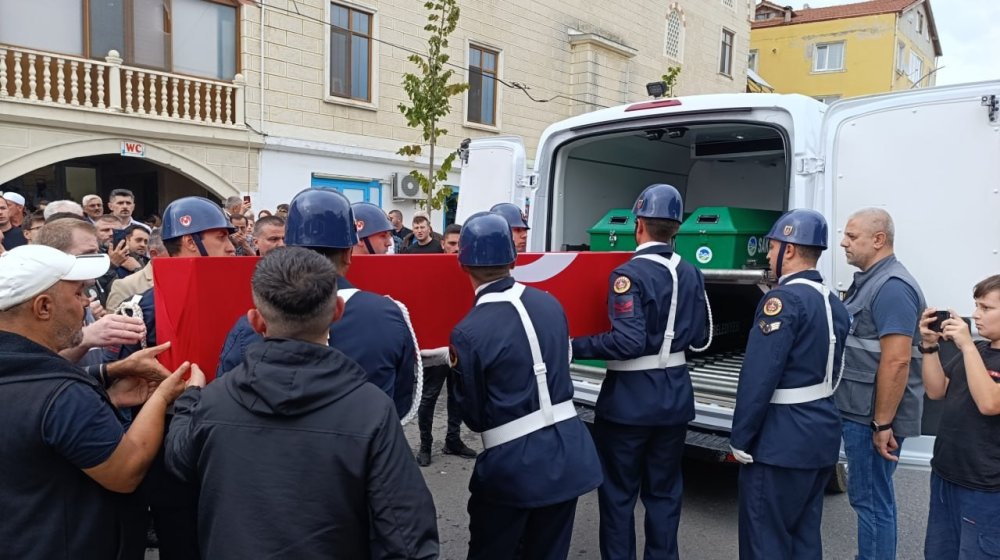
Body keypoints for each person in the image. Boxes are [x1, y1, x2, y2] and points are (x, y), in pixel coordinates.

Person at [166, 247, 439, 559]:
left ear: (255, 322)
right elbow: (407, 535)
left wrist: (190, 398)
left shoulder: (214, 400)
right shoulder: (371, 409)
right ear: (337, 310)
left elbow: (180, 459)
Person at [0, 244, 203, 560]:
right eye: (78, 294)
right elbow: (126, 469)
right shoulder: (63, 395)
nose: (86, 304)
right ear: (43, 307)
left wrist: (108, 376)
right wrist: (165, 395)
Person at [444, 212, 601, 559]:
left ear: (462, 263)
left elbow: (473, 416)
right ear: (514, 259)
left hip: (513, 469)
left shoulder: (467, 332)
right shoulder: (549, 302)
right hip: (569, 454)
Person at [572, 183, 708, 560]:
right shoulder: (692, 272)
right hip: (675, 397)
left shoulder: (628, 274)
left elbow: (627, 342)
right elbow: (698, 335)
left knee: (618, 495)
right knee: (664, 493)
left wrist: (574, 346)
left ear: (639, 224)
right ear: (676, 228)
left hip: (630, 401)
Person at [217, 189, 417, 420]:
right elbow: (400, 403)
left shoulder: (252, 323)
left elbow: (229, 404)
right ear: (348, 253)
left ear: (288, 247)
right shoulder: (387, 315)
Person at [113, 196, 236, 560]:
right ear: (189, 240)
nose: (231, 247)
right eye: (221, 238)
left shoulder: (236, 296)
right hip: (169, 454)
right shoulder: (143, 308)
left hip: (221, 446)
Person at [730, 209, 850, 559]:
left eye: (772, 247)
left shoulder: (782, 301)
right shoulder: (832, 302)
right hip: (819, 433)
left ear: (791, 250)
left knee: (765, 541)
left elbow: (758, 377)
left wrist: (740, 436)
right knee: (804, 538)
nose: (768, 254)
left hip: (780, 440)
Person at [837, 207, 925, 560]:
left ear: (878, 240)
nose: (843, 243)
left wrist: (882, 423)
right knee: (868, 499)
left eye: (852, 236)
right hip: (859, 410)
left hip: (871, 417)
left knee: (872, 502)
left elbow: (897, 359)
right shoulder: (870, 281)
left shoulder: (892, 288)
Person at [921, 274, 1000, 559]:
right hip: (946, 475)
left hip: (986, 488)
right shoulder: (979, 350)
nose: (976, 315)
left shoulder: (972, 350)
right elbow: (936, 390)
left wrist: (966, 345)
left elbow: (990, 402)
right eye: (976, 306)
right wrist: (929, 346)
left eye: (986, 308)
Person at [415, 221, 477, 466]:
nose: (456, 249)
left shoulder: (471, 270)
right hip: (435, 345)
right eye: (452, 244)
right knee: (429, 397)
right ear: (443, 244)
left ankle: (453, 440)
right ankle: (425, 444)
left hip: (460, 343)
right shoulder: (428, 268)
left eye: (461, 245)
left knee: (457, 394)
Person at [106, 228, 166, 313]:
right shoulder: (124, 286)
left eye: (146, 241)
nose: (142, 245)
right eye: (138, 240)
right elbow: (113, 323)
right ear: (154, 254)